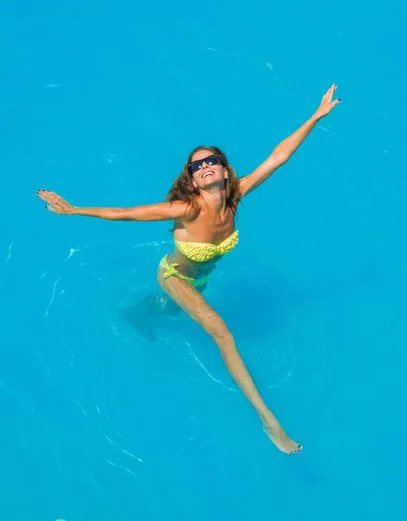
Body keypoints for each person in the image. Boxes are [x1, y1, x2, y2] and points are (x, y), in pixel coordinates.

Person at [37, 84, 340, 454]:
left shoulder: (236, 197)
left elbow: (278, 157)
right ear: (193, 179)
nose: (206, 166)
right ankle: (268, 421)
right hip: (176, 276)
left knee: (169, 309)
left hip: (202, 278)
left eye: (212, 160)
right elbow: (126, 214)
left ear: (226, 172)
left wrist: (315, 116)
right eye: (197, 165)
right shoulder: (187, 209)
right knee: (223, 335)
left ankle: (136, 312)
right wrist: (74, 210)